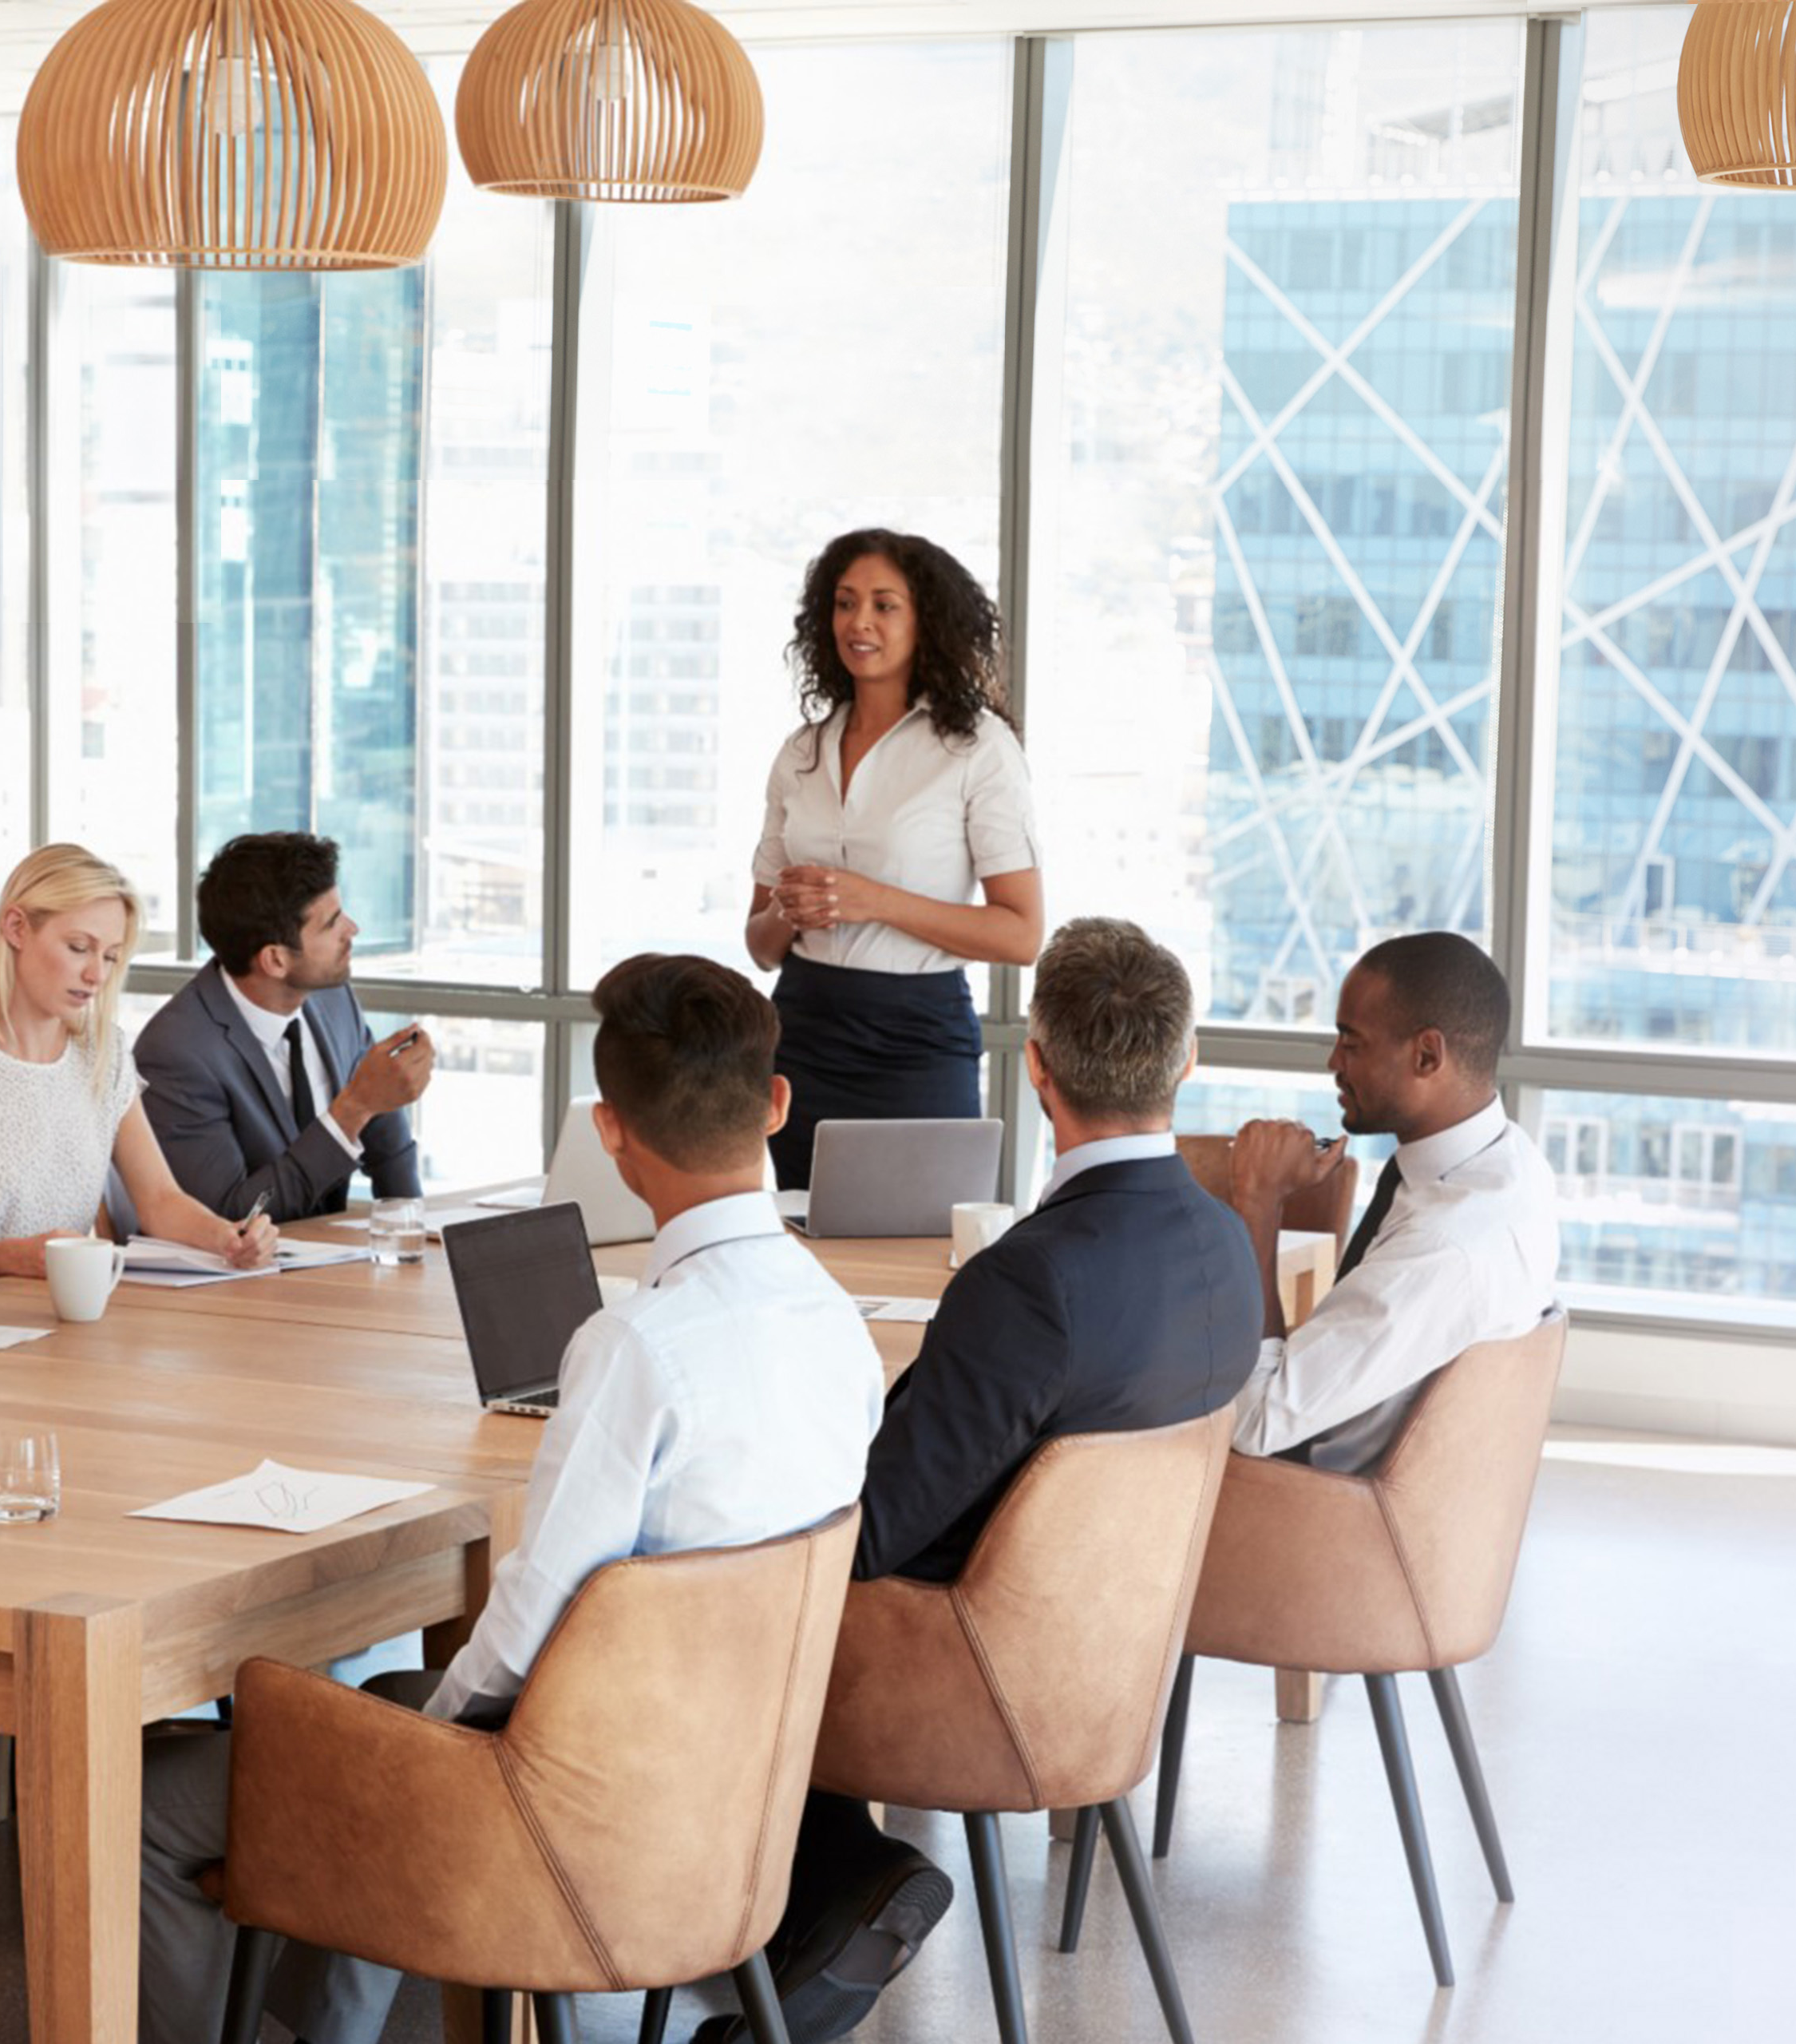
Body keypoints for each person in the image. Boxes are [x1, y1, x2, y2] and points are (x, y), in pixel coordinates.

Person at [132, 955, 888, 2044]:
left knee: (150, 1798)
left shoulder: (638, 1346)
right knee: (393, 1695)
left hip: (568, 1822)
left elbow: (536, 1619)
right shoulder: (835, 1324)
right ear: (777, 1104)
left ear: (610, 1132)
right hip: (736, 1796)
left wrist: (419, 1758)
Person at [702, 917, 1266, 2044]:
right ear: (1186, 1062)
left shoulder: (1031, 1281)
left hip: (964, 1667)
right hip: (1104, 1663)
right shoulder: (1223, 1243)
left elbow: (874, 1535)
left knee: (703, 1598)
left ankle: (831, 1882)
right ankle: (820, 1897)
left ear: (1035, 1066)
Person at [745, 529, 1045, 1190]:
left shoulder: (978, 749)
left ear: (925, 620)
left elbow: (1021, 934)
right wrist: (788, 911)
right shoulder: (801, 752)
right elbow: (761, 946)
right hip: (802, 1037)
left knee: (922, 1251)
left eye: (885, 605)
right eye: (846, 603)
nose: (860, 622)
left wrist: (871, 900)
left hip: (918, 1042)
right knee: (808, 1243)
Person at [1223, 931, 1559, 1472]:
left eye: (1352, 1043)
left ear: (1427, 1055)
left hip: (1306, 1503)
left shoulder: (1440, 1247)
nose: (1334, 1061)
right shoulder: (1514, 1163)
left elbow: (1256, 1421)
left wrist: (1258, 1203)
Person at [0, 843, 275, 1278]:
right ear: (16, 928)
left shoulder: (105, 1055)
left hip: (74, 1320)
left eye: (110, 957)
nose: (97, 975)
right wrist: (8, 1258)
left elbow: (160, 1200)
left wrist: (229, 1238)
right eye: (79, 947)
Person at [134, 830, 431, 1222]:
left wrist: (417, 1231)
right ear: (275, 960)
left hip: (335, 1268)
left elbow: (383, 1127)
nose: (353, 929)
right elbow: (230, 1216)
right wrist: (353, 1107)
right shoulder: (175, 1051)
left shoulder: (331, 997)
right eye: (332, 923)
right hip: (243, 1278)